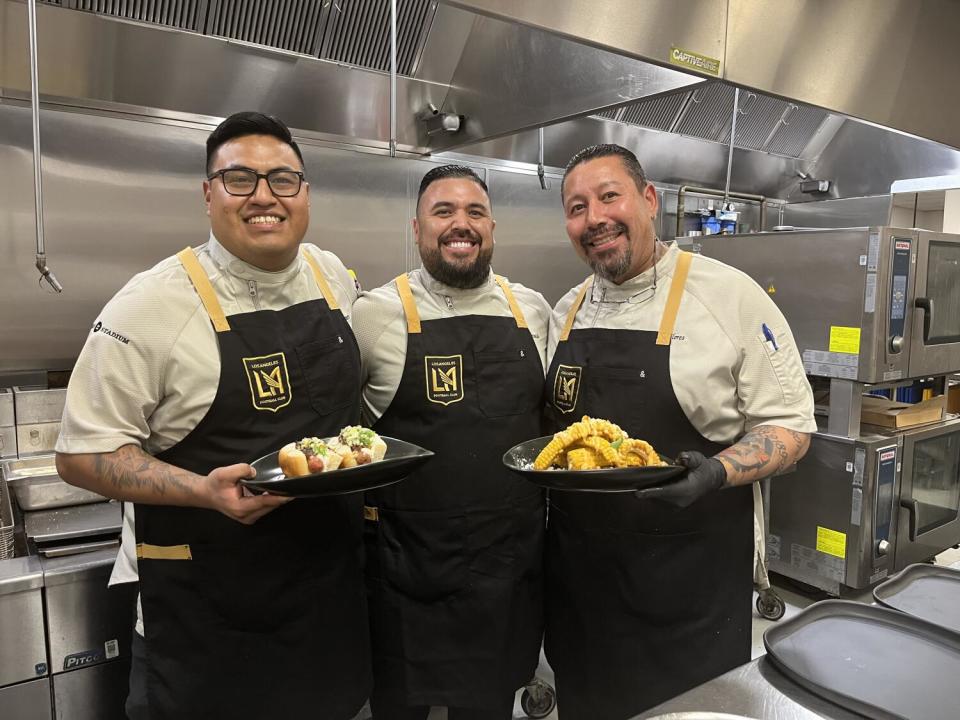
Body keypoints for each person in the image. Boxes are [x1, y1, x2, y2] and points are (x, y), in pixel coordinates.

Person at [54, 111, 370, 720]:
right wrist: (202, 490)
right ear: (208, 194)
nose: (264, 198)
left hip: (327, 612)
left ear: (305, 193)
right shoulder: (150, 305)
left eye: (283, 179)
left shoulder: (332, 276)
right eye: (240, 180)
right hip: (207, 626)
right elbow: (81, 454)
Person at [543, 144, 815, 719]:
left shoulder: (728, 296)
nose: (594, 219)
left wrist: (718, 471)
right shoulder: (565, 311)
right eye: (576, 207)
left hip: (689, 589)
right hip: (582, 587)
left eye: (609, 196)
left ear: (648, 201)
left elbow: (791, 426)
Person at [352, 165, 551, 719]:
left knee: (489, 707)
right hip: (404, 570)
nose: (460, 225)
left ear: (492, 228)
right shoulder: (374, 313)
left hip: (506, 570)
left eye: (475, 212)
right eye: (443, 212)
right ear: (416, 229)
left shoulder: (531, 310)